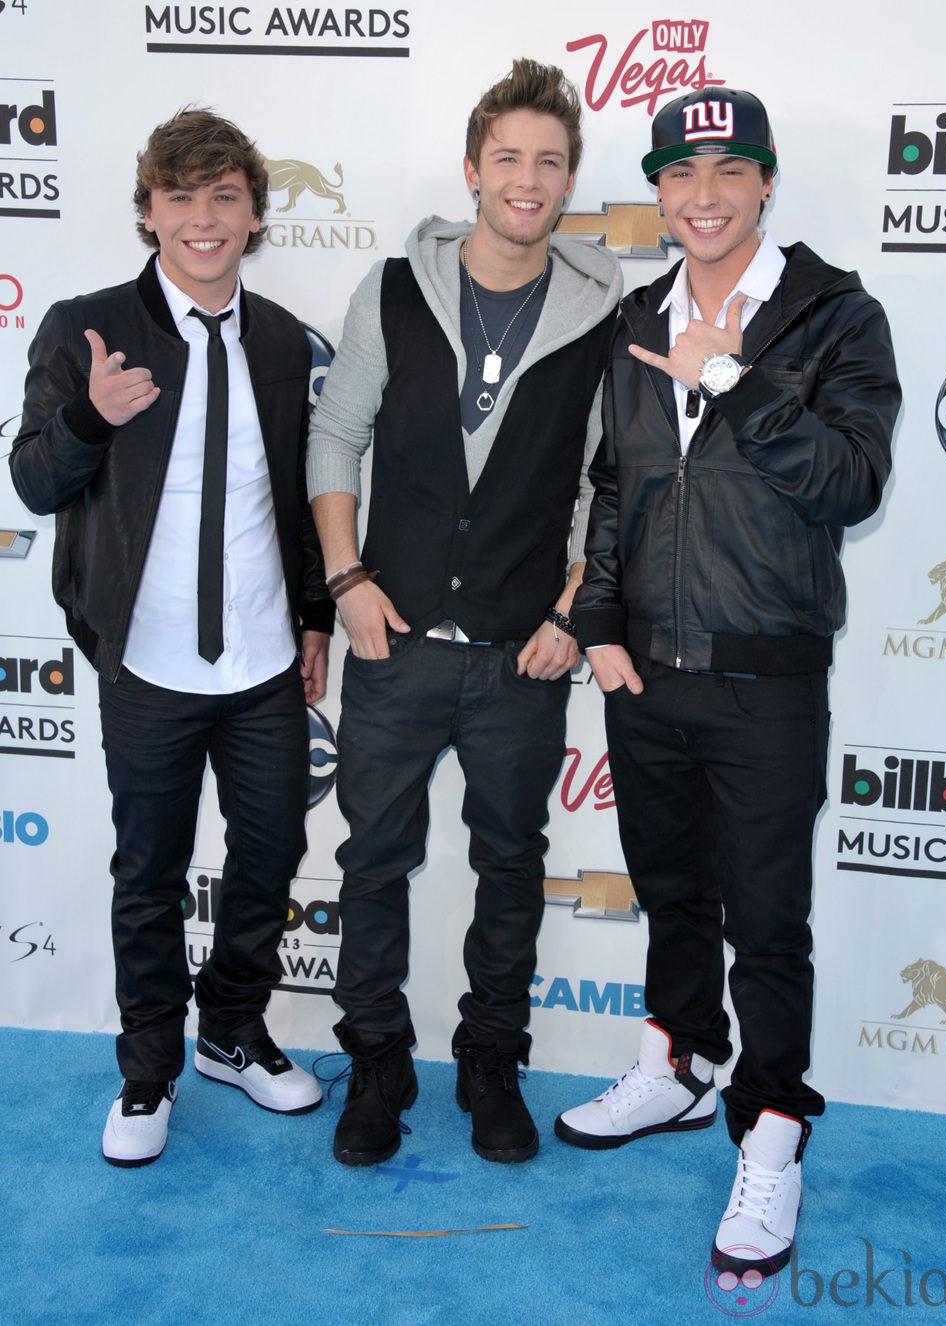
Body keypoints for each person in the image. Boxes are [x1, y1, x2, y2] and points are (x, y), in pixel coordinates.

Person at [556, 88, 900, 1275]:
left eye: (727, 171)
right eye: (679, 174)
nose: (701, 196)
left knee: (764, 920)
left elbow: (851, 482)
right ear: (656, 192)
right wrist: (598, 618)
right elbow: (616, 489)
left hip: (766, 676)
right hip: (645, 675)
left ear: (763, 184)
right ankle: (678, 1064)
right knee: (670, 894)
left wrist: (735, 381)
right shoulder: (634, 318)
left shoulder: (832, 317)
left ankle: (770, 1128)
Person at [306, 58, 622, 1167]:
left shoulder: (605, 314)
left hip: (516, 661)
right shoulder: (394, 288)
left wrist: (574, 614)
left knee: (509, 864)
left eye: (548, 161)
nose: (526, 179)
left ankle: (492, 1061)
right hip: (391, 645)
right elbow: (335, 434)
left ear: (569, 177)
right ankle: (378, 1061)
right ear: (472, 170)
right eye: (508, 159)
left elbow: (607, 486)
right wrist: (346, 583)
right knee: (372, 862)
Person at [10, 108, 333, 1167]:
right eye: (181, 198)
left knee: (273, 851)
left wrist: (317, 615)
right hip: (144, 661)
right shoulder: (86, 325)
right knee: (148, 869)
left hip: (260, 660)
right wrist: (90, 418)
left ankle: (232, 1033)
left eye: (225, 197)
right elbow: (33, 480)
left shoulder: (284, 341)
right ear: (148, 212)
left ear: (252, 214)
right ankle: (147, 1073)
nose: (204, 219)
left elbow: (298, 497)